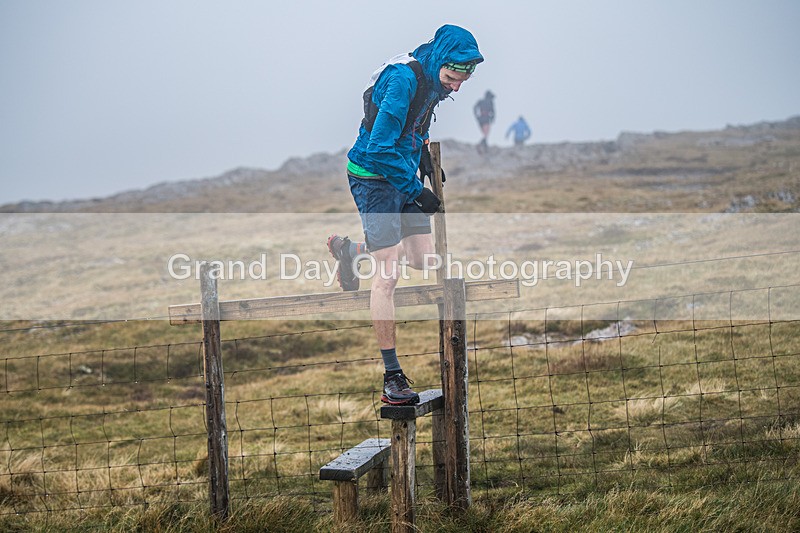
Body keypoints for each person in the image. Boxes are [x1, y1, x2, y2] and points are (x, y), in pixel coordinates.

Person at [327, 25, 483, 405]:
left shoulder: (433, 81)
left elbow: (415, 124)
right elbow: (380, 148)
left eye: (463, 80)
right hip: (374, 178)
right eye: (452, 78)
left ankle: (350, 251)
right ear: (439, 63)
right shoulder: (402, 80)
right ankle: (392, 378)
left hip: (404, 173)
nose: (456, 87)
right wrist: (416, 190)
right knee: (389, 272)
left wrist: (426, 161)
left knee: (422, 259)